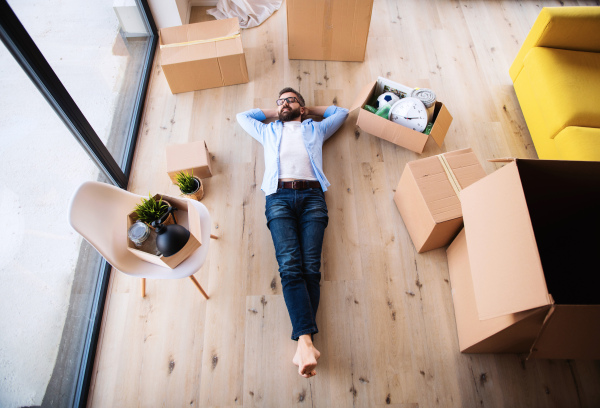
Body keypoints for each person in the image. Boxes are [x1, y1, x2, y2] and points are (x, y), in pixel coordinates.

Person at [236, 87, 349, 378]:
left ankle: (304, 344)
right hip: (279, 197)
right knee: (290, 266)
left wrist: (306, 111)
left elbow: (342, 113)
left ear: (301, 106)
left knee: (311, 268)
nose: (284, 103)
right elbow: (242, 116)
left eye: (291, 100)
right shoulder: (268, 131)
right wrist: (279, 111)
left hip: (313, 198)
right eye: (280, 101)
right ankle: (306, 343)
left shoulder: (316, 128)